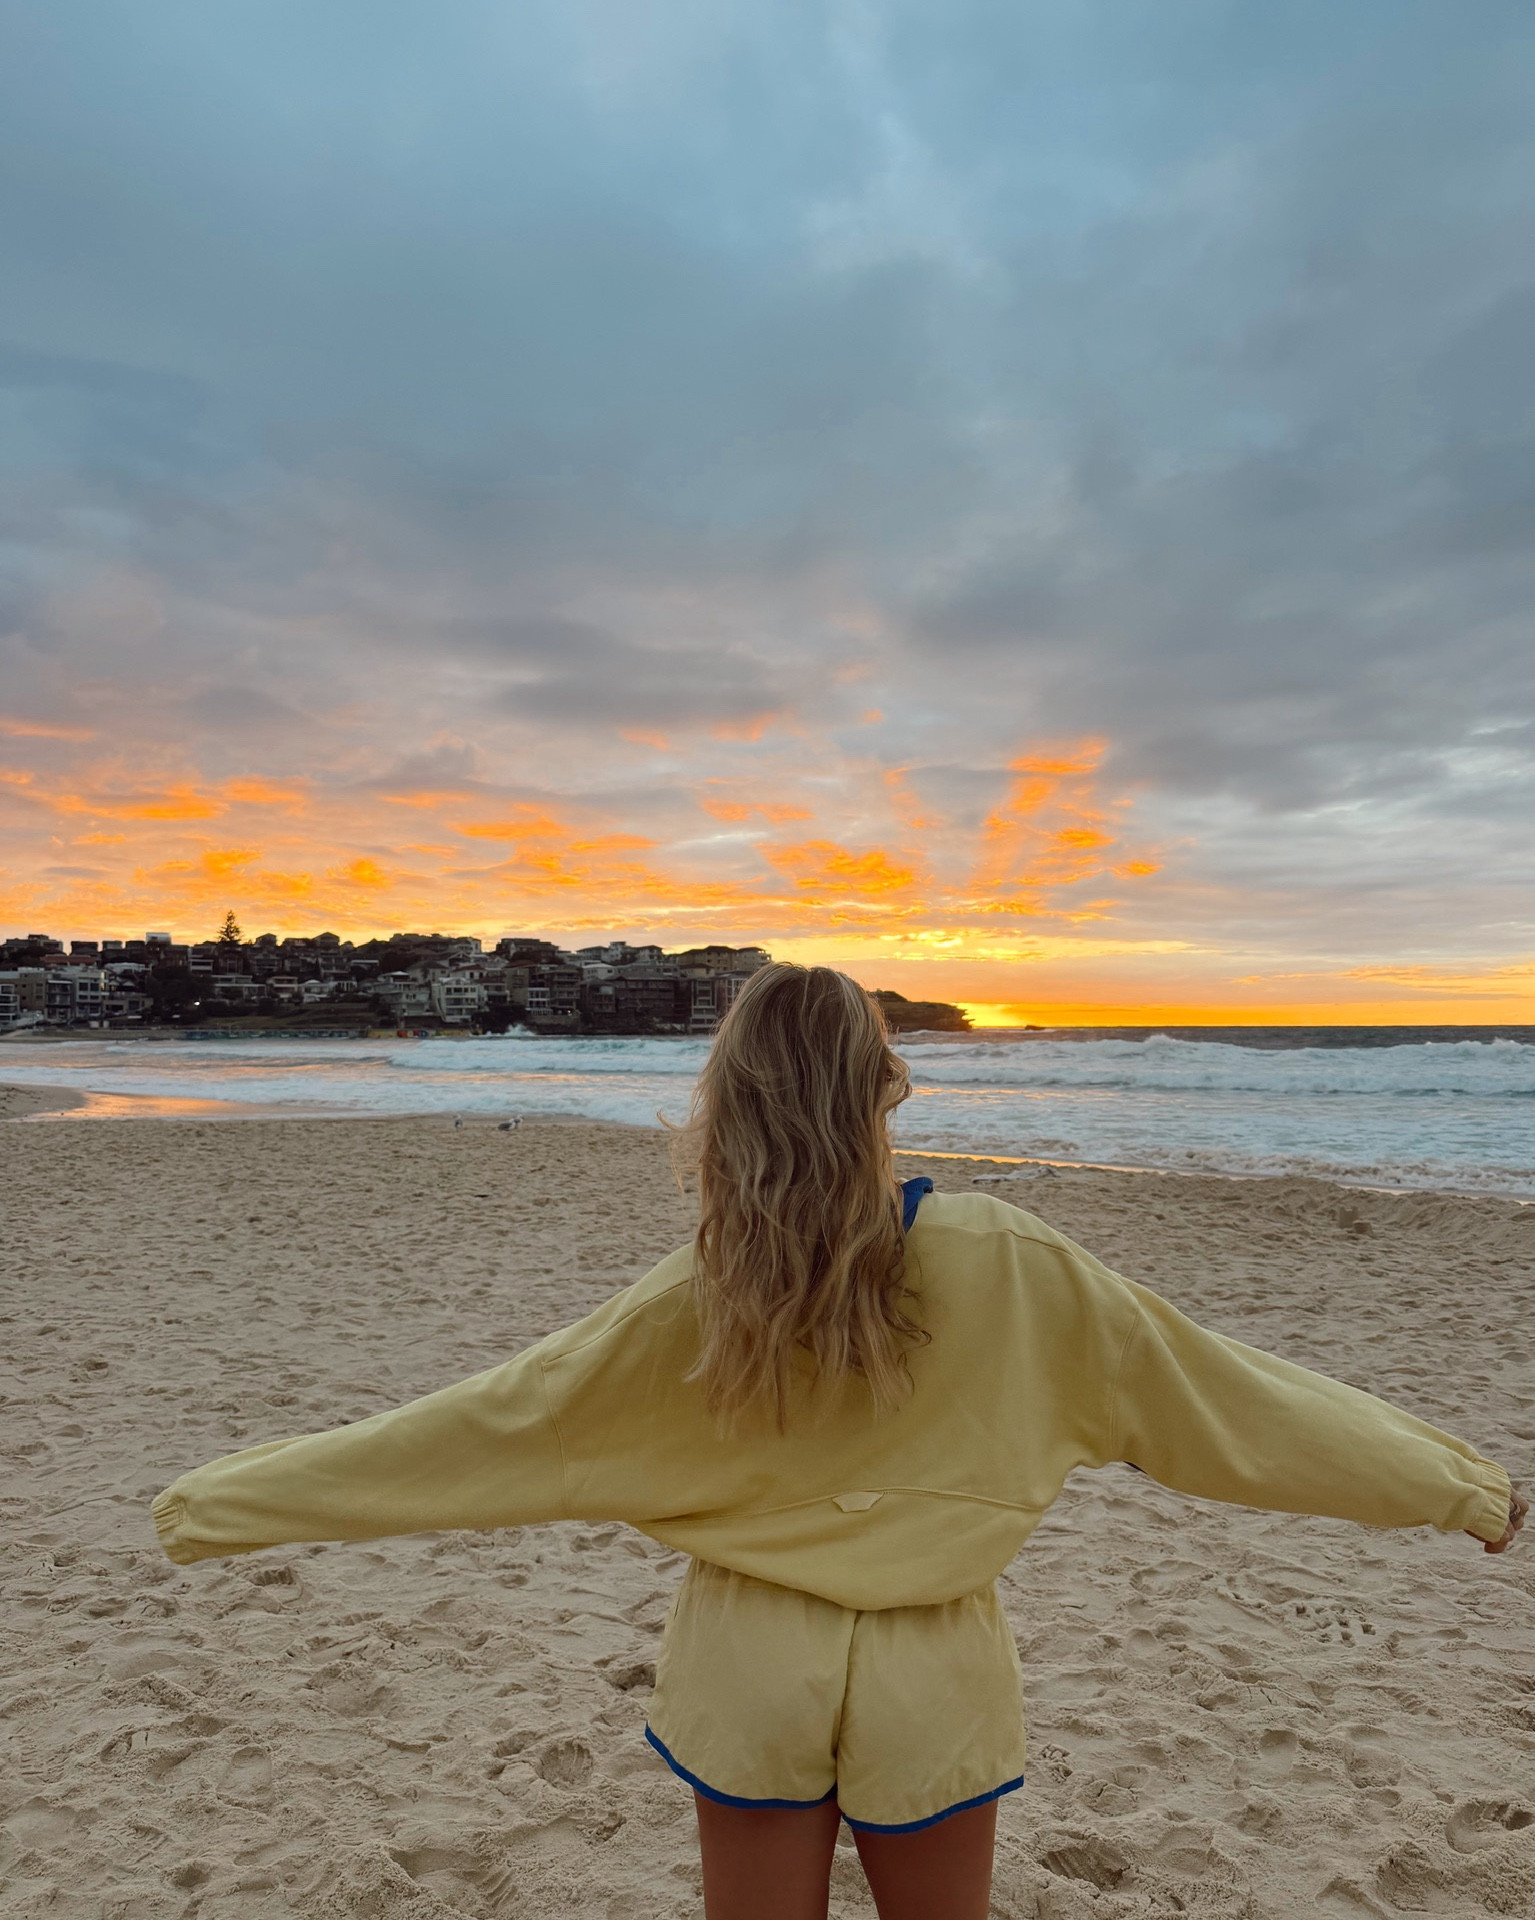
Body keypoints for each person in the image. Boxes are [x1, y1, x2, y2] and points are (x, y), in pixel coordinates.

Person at [153, 964, 1525, 1920]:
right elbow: (1232, 1408)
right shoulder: (1011, 1260)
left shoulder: (695, 1298)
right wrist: (1454, 1485)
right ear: (887, 1092)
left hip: (749, 1661)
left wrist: (226, 1500)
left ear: (727, 1102)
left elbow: (484, 1432)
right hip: (936, 1664)